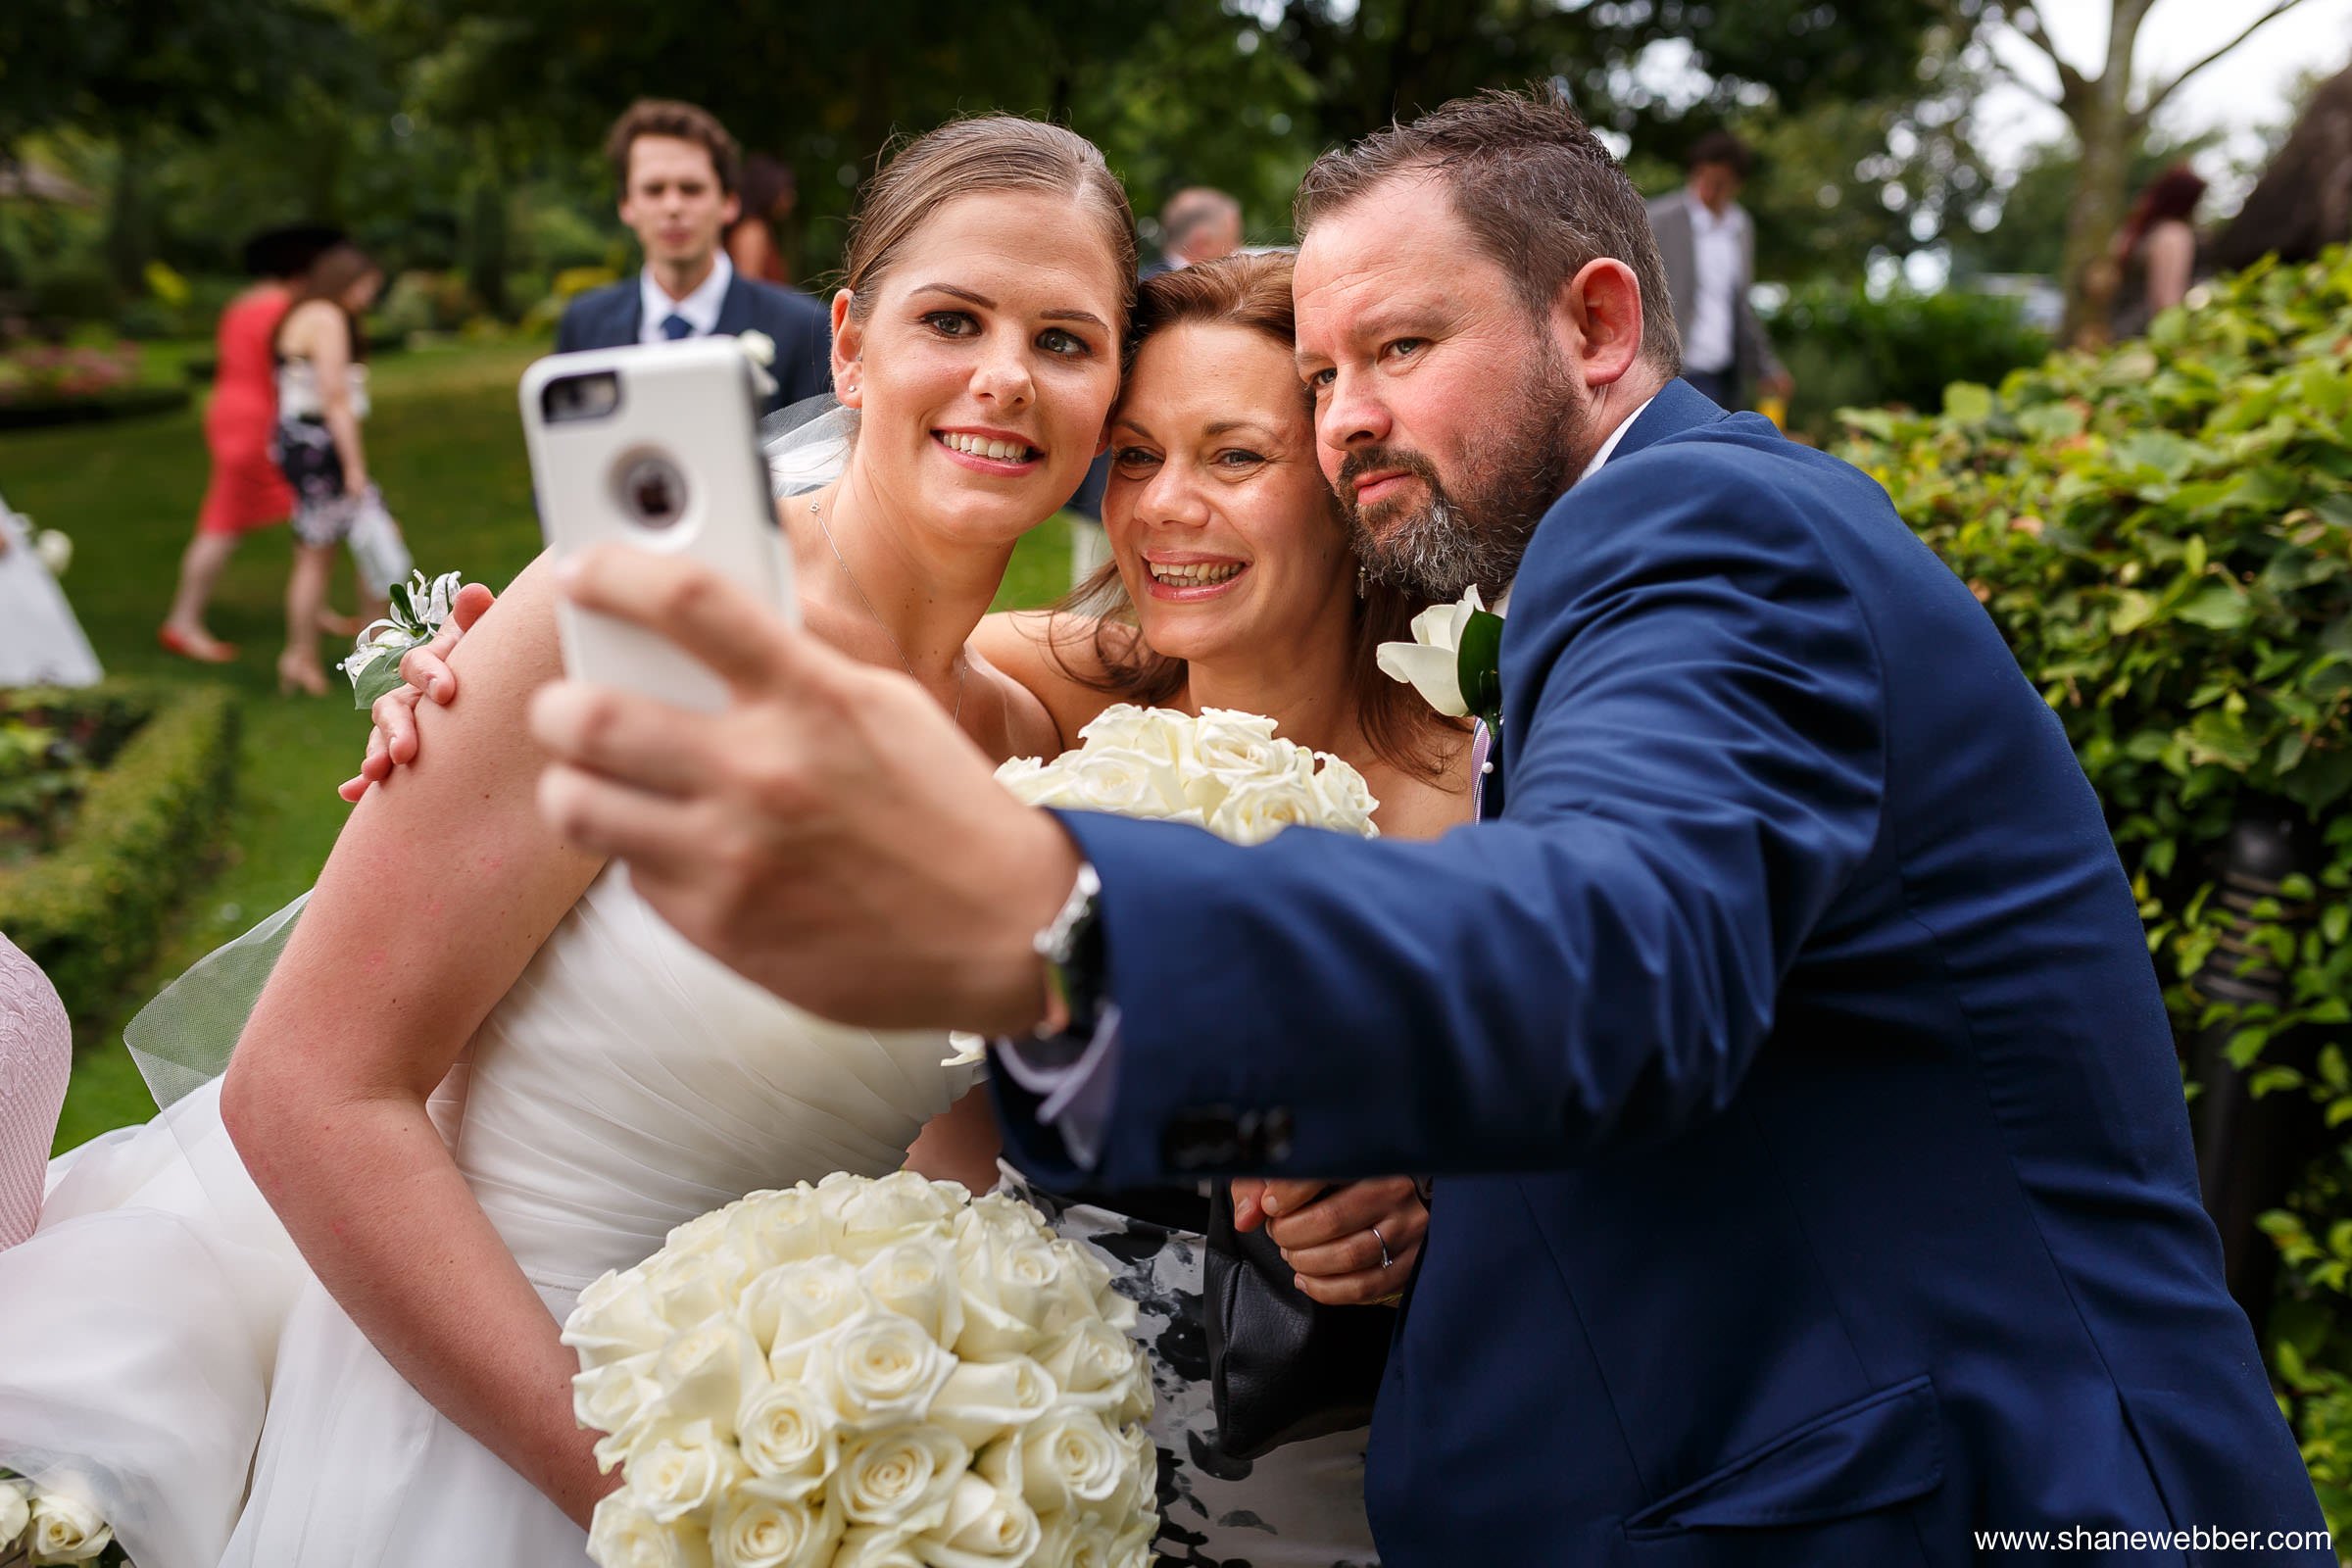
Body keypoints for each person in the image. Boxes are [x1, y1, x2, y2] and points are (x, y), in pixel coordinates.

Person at [524, 86, 2332, 1563]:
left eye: (1398, 348)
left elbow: (1613, 958)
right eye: (1320, 375)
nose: (1347, 424)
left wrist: (1060, 920)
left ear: (1600, 323)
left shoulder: (1703, 538)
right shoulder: (1595, 574)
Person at [358, 249, 1455, 1567]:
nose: (1168, 512)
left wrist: (1415, 1187)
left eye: (1235, 458)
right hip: (1009, 1436)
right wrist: (462, 680)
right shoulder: (1047, 693)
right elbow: (789, 649)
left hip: (1342, 1456)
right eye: (1136, 457)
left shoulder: (1481, 781)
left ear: (1346, 479)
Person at [558, 100, 829, 416]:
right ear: (626, 205)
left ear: (729, 202)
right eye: (654, 190)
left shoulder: (803, 328)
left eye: (691, 189)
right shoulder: (584, 326)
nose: (673, 206)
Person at [159, 223, 343, 664]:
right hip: (262, 423)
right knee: (245, 521)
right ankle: (184, 622)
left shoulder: (241, 305)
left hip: (228, 414)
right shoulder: (289, 308)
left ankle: (310, 607)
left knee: (280, 515)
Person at [270, 243, 412, 698]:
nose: (370, 297)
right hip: (322, 448)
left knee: (315, 553)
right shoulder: (327, 317)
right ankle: (370, 657)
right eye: (369, 286)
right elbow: (335, 397)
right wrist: (354, 466)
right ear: (349, 280)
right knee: (375, 537)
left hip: (300, 444)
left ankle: (300, 658)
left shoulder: (302, 313)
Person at [1646, 130, 1788, 412]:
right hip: (1673, 373)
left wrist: (1766, 367)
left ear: (1737, 184)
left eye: (1720, 184)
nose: (1708, 190)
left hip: (1724, 375)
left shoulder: (1740, 227)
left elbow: (1741, 305)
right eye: (1704, 178)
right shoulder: (1659, 219)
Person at [2111, 163, 2207, 338]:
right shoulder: (2173, 235)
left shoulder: (2135, 232)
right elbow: (2167, 300)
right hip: (2149, 335)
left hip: (2121, 329)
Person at [723, 151, 798, 285]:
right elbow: (748, 289)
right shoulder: (752, 231)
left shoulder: (758, 228)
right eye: (785, 190)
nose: (790, 198)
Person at [1145, 187, 1244, 278]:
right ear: (1203, 243)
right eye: (1233, 240)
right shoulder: (1172, 293)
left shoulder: (1144, 283)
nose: (1237, 250)